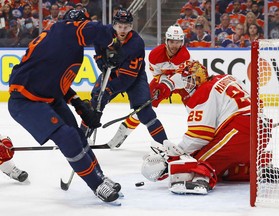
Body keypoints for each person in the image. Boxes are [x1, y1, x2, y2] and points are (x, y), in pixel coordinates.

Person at [8, 9, 121, 203]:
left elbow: (58, 84)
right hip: (26, 101)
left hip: (48, 96)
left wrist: (80, 107)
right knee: (67, 137)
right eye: (82, 24)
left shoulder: (64, 44)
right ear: (77, 23)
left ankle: (99, 176)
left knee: (77, 135)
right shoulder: (65, 29)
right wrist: (111, 44)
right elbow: (100, 31)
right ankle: (96, 184)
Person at [141, 60, 251, 195]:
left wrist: (175, 155)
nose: (186, 85)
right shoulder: (226, 77)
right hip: (261, 128)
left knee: (196, 162)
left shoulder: (204, 92)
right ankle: (252, 169)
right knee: (220, 163)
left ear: (198, 79)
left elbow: (198, 137)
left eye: (189, 80)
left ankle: (200, 180)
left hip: (241, 130)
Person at [80, 8, 169, 149]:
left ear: (131, 27)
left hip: (135, 78)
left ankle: (165, 145)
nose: (122, 30)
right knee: (95, 103)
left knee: (145, 111)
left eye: (126, 27)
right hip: (112, 72)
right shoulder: (104, 32)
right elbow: (98, 45)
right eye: (120, 26)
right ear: (114, 25)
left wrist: (109, 90)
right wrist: (100, 61)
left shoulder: (136, 44)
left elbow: (127, 79)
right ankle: (81, 140)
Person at [106, 24, 192, 149]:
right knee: (142, 108)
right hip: (161, 81)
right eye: (172, 41)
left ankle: (198, 135)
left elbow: (182, 78)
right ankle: (121, 133)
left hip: (181, 83)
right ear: (166, 40)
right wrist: (163, 85)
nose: (174, 45)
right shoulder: (155, 55)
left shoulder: (185, 56)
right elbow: (157, 74)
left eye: (178, 42)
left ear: (182, 42)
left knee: (194, 104)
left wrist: (167, 85)